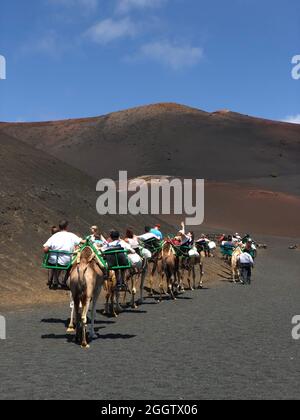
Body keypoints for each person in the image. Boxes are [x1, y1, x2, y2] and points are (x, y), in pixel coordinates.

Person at [43, 220, 83, 290]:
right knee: (72, 264)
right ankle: (64, 281)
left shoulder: (54, 236)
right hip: (66, 261)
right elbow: (82, 241)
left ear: (59, 227)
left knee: (54, 263)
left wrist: (49, 250)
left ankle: (54, 281)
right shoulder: (71, 235)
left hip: (53, 261)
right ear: (67, 227)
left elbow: (45, 249)